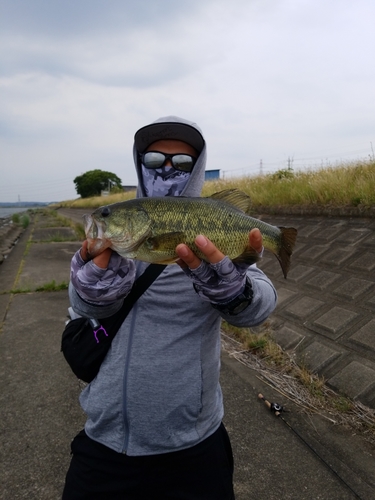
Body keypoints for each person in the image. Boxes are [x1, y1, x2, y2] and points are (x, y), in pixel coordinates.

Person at [62, 116, 277, 499]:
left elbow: (258, 305)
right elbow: (79, 312)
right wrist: (90, 294)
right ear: (138, 163)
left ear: (196, 169)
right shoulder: (109, 247)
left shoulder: (213, 237)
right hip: (105, 441)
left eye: (181, 163)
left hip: (193, 448)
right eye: (153, 160)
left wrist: (235, 292)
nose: (166, 168)